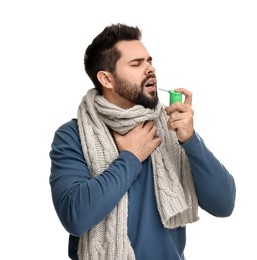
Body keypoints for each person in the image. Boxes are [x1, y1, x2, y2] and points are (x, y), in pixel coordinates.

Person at [49, 23, 236, 260]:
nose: (150, 69)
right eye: (137, 64)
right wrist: (131, 158)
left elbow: (224, 204)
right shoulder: (73, 136)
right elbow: (75, 217)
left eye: (149, 61)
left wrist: (190, 140)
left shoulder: (171, 127)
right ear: (106, 79)